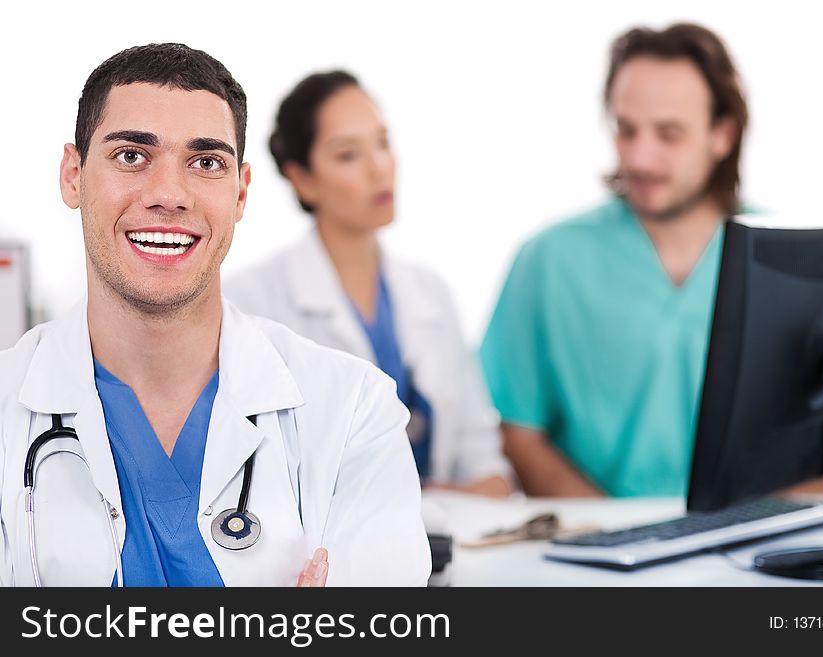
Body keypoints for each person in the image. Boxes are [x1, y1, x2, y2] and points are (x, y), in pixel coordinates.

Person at [0, 44, 431, 587]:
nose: (169, 195)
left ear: (241, 192)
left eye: (206, 163)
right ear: (73, 175)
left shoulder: (353, 413)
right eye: (132, 155)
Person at [480, 23, 749, 498]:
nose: (640, 158)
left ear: (722, 134)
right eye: (626, 130)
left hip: (751, 550)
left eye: (669, 135)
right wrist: (613, 538)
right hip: (597, 551)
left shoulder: (785, 255)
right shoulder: (548, 260)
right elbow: (516, 431)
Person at [225, 71, 512, 497]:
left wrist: (437, 503)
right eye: (348, 155)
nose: (380, 167)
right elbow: (251, 478)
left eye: (382, 142)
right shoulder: (248, 302)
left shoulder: (430, 294)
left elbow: (485, 466)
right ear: (301, 178)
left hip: (444, 544)